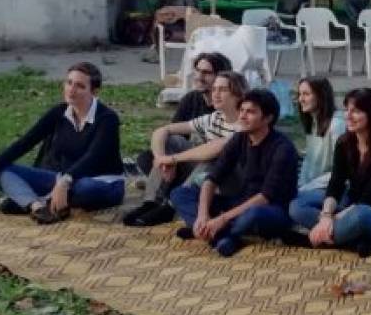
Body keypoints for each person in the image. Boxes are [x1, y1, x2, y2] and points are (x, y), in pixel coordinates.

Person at [0, 61, 123, 224]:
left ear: (94, 91)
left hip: (101, 181)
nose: (71, 90)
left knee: (85, 188)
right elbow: (25, 142)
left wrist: (64, 182)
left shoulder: (107, 118)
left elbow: (93, 157)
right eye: (69, 82)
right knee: (2, 170)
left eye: (80, 86)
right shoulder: (59, 112)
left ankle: (39, 199)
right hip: (62, 179)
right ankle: (37, 207)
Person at [170, 88, 298, 256]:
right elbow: (212, 179)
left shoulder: (283, 149)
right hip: (240, 202)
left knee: (253, 214)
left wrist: (222, 219)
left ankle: (220, 233)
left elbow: (265, 197)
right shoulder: (240, 138)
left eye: (250, 112)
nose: (242, 116)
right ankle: (216, 233)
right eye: (242, 110)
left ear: (268, 118)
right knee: (180, 193)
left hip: (272, 210)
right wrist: (202, 215)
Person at [122, 71, 247, 227]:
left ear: (238, 94)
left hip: (234, 181)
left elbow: (217, 147)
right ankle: (151, 203)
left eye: (222, 90)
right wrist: (161, 159)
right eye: (214, 89)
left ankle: (171, 207)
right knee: (171, 141)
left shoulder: (245, 122)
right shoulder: (214, 118)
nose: (215, 94)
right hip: (207, 177)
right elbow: (162, 130)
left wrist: (174, 159)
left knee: (213, 158)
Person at [288, 87, 371, 253]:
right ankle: (348, 239)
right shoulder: (344, 143)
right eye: (347, 110)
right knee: (297, 205)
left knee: (361, 214)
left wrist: (331, 219)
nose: (348, 116)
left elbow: (370, 199)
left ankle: (317, 239)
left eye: (355, 111)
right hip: (348, 207)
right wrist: (326, 216)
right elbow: (336, 183)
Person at [133, 52, 231, 176]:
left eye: (206, 73)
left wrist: (173, 159)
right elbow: (168, 133)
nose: (199, 77)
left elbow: (220, 149)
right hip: (192, 158)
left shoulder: (228, 107)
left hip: (216, 163)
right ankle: (165, 183)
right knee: (149, 156)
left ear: (221, 77)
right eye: (197, 71)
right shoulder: (191, 99)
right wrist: (162, 159)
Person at [296, 76, 346, 192]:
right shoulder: (313, 122)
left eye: (306, 94)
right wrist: (300, 186)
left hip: (332, 188)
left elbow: (340, 170)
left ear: (321, 96)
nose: (300, 99)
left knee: (297, 207)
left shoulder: (336, 125)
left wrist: (305, 189)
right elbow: (309, 161)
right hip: (312, 185)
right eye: (299, 94)